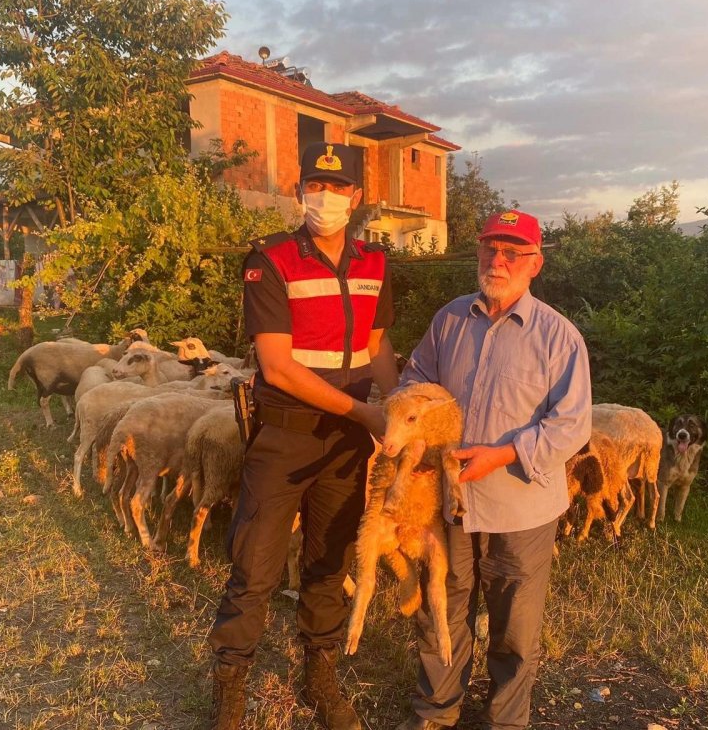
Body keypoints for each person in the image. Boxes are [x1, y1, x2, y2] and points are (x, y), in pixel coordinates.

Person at [207, 142, 397, 730]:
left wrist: (392, 407)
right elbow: (277, 366)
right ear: (299, 192)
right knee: (255, 567)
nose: (328, 198)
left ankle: (320, 678)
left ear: (357, 197)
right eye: (317, 185)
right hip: (286, 437)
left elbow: (377, 344)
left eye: (340, 189)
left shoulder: (376, 261)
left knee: (328, 563)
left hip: (348, 443)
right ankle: (231, 693)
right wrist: (366, 415)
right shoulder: (271, 259)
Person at [395, 210, 592, 730]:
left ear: (536, 264)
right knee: (442, 607)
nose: (497, 261)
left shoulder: (558, 336)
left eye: (512, 252)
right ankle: (436, 712)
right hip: (450, 500)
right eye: (489, 249)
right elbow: (414, 380)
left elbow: (571, 426)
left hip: (520, 506)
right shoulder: (450, 320)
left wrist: (503, 454)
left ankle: (505, 720)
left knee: (515, 627)